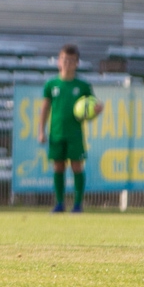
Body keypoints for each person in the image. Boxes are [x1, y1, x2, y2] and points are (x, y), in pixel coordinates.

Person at [39, 43, 99, 213]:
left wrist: (97, 110)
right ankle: (59, 203)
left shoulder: (82, 86)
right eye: (64, 60)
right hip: (56, 133)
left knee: (77, 166)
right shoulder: (51, 84)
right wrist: (41, 131)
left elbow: (92, 108)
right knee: (58, 167)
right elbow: (45, 108)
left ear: (77, 63)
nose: (67, 63)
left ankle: (78, 204)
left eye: (71, 60)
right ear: (58, 61)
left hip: (75, 134)